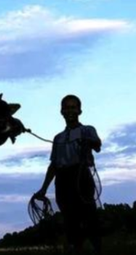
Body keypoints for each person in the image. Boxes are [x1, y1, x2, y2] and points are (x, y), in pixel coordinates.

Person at [34, 94, 102, 255]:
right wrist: (43, 189)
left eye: (73, 107)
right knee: (70, 220)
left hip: (81, 176)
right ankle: (75, 248)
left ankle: (96, 248)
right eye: (66, 107)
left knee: (89, 217)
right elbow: (54, 165)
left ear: (79, 111)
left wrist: (88, 142)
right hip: (62, 181)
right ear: (62, 111)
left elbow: (98, 145)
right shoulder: (58, 138)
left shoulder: (87, 130)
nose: (70, 110)